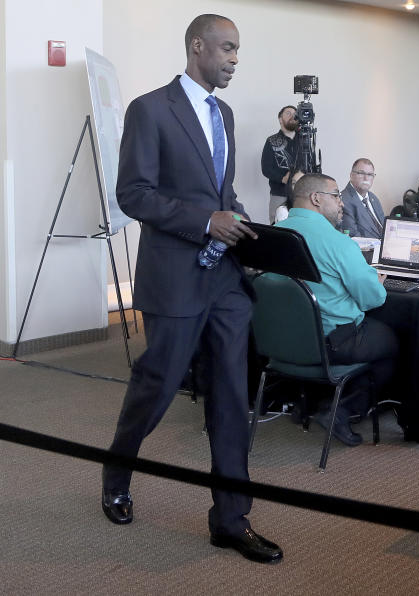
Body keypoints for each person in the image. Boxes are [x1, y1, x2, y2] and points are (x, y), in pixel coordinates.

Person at [102, 14, 283, 564]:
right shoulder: (150, 109)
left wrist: (248, 227)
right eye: (227, 48)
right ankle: (116, 471)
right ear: (197, 46)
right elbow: (133, 194)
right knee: (156, 388)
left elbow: (221, 189)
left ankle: (230, 519)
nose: (234, 59)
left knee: (231, 396)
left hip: (225, 280)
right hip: (175, 277)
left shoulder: (223, 113)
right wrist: (206, 220)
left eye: (237, 50)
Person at [274, 174, 397, 445]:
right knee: (393, 342)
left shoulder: (274, 233)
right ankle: (340, 411)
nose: (341, 203)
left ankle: (306, 404)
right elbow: (373, 299)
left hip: (280, 341)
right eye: (336, 195)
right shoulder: (338, 242)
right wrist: (376, 284)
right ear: (316, 198)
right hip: (332, 342)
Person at [260, 105, 297, 223]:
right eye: (288, 113)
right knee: (277, 229)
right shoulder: (271, 141)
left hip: (301, 195)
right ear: (280, 119)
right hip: (279, 194)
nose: (292, 116)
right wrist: (283, 179)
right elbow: (266, 168)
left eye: (295, 114)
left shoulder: (305, 141)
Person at [340, 158, 385, 238]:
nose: (366, 178)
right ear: (351, 175)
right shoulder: (343, 201)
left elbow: (384, 226)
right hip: (368, 249)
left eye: (370, 174)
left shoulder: (373, 198)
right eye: (361, 173)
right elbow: (354, 237)